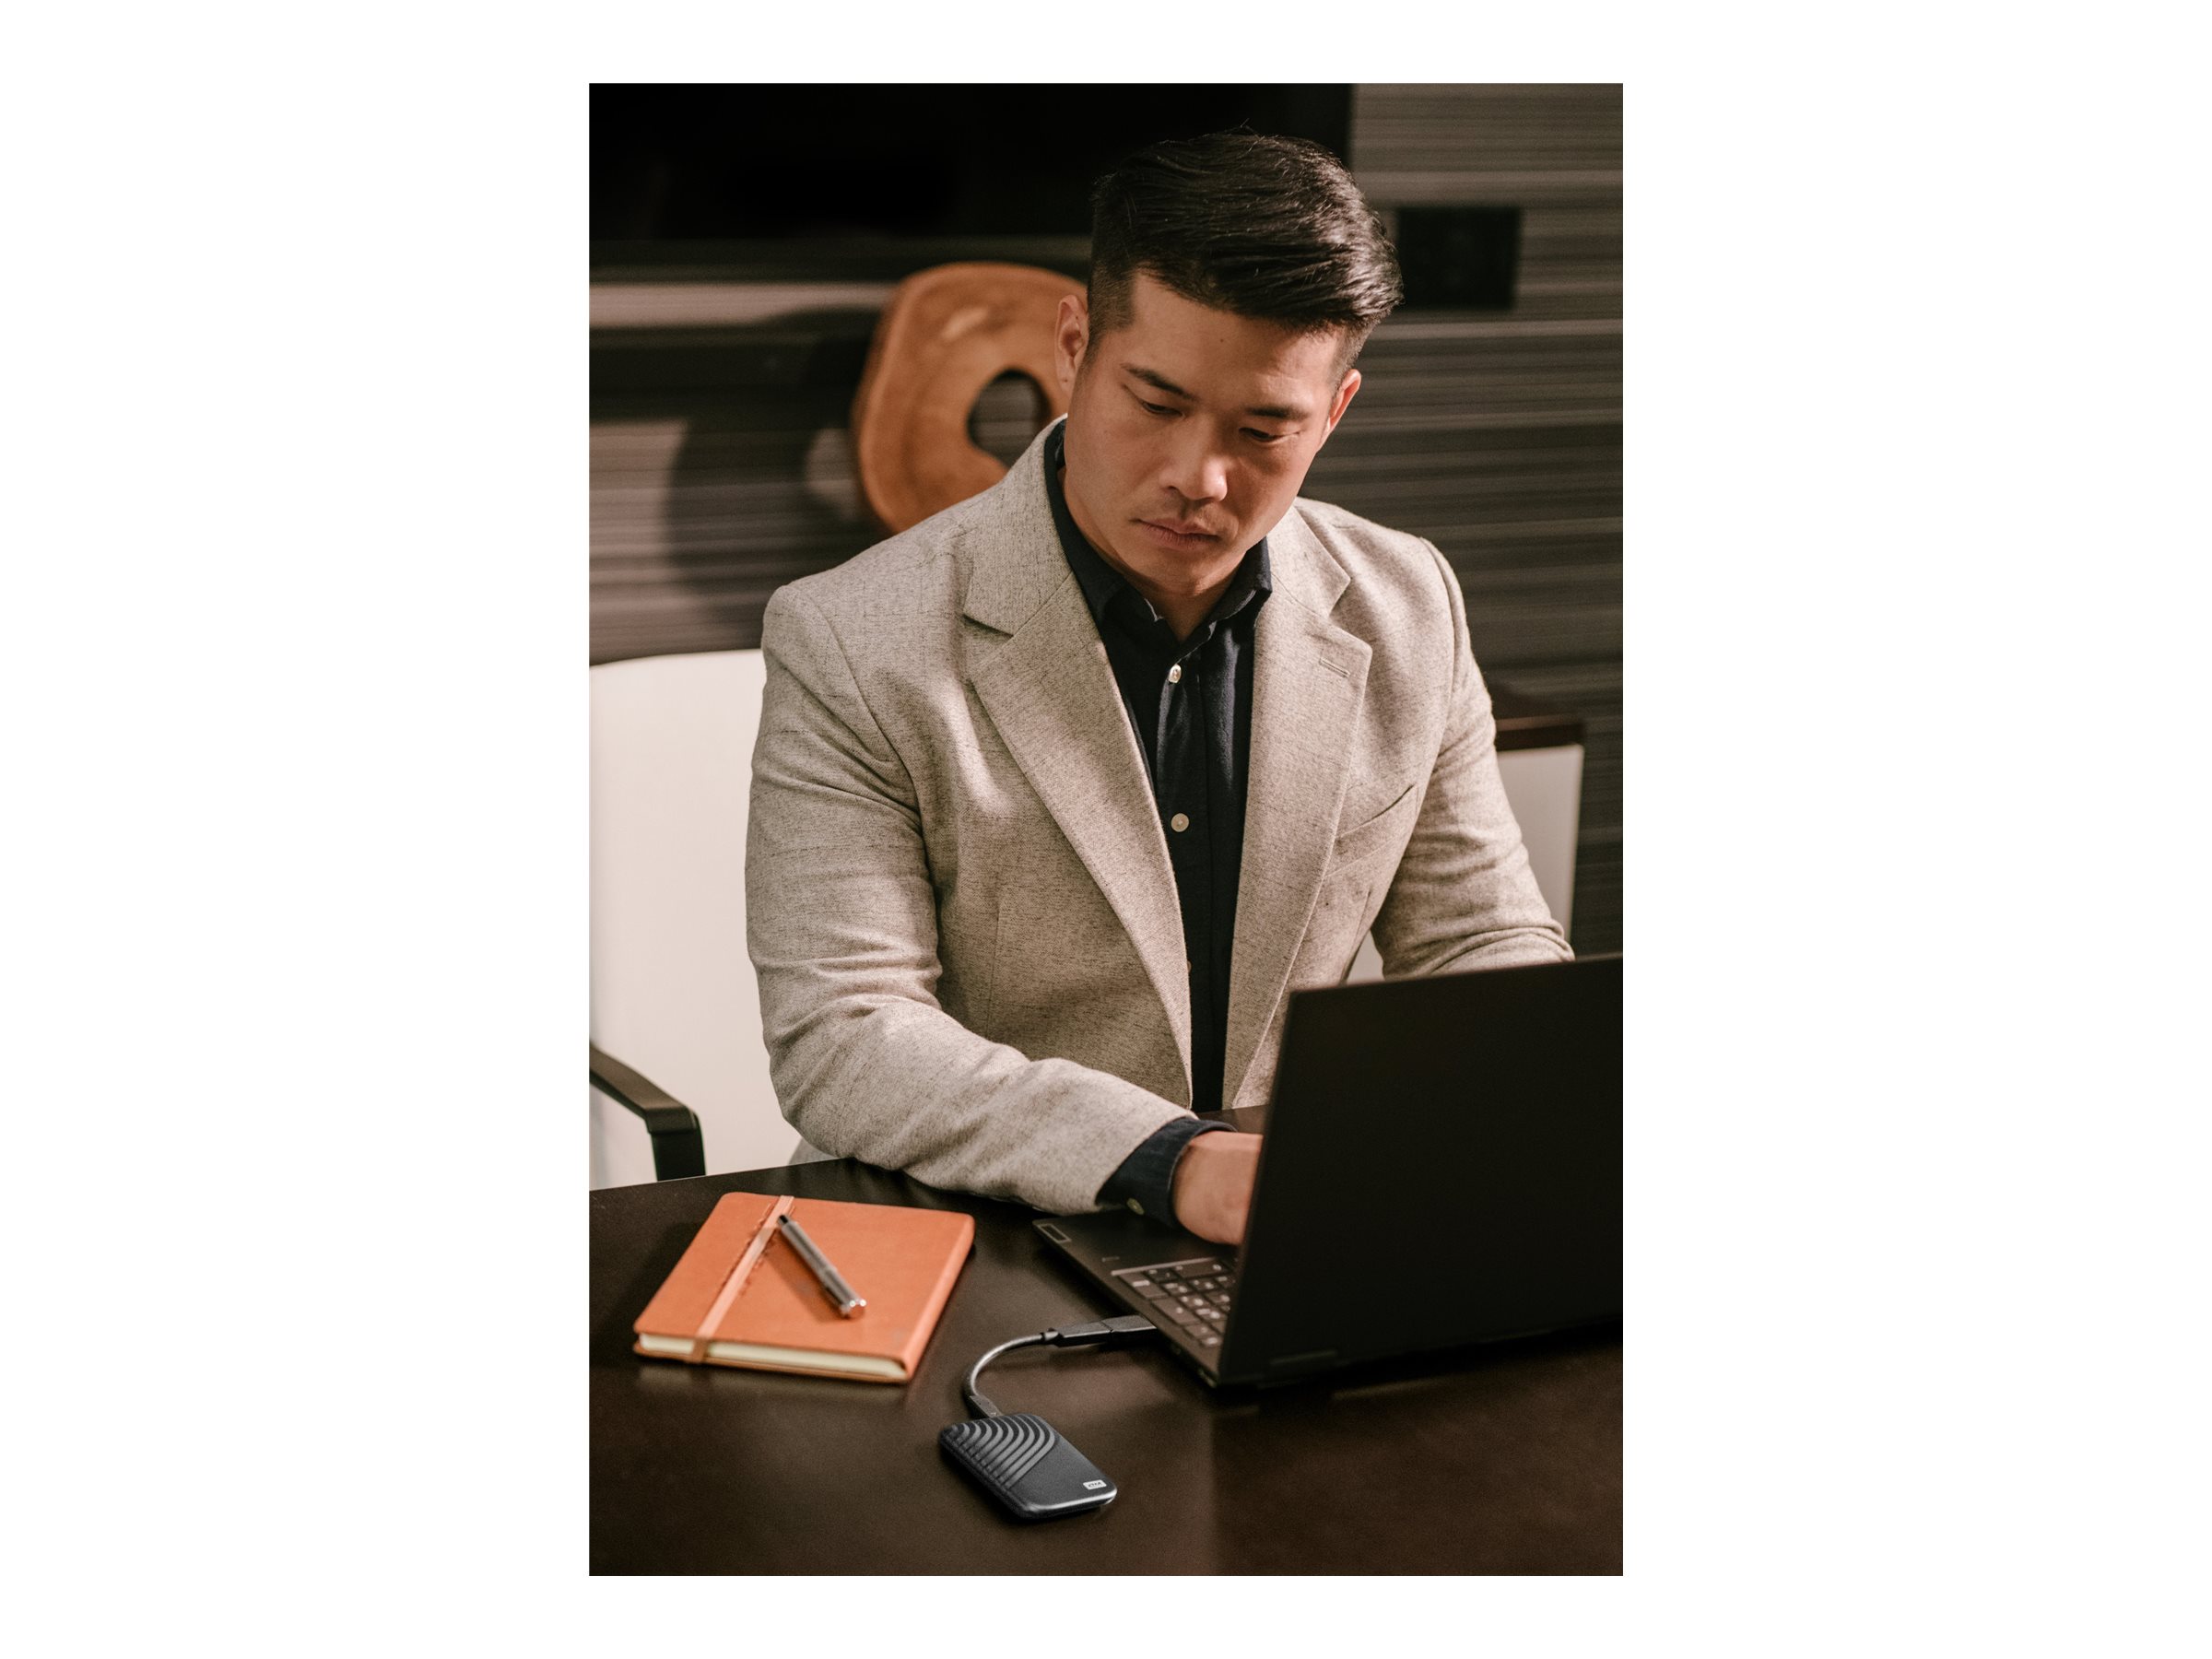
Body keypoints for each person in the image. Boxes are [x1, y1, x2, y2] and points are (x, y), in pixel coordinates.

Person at [747, 132, 1569, 1246]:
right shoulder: (852, 635)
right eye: (1156, 402)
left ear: (1334, 412)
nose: (1199, 477)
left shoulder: (1409, 601)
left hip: (1292, 1222)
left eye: (1263, 429)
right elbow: (845, 1036)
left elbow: (1481, 945)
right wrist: (1173, 1161)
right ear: (1075, 346)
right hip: (991, 1231)